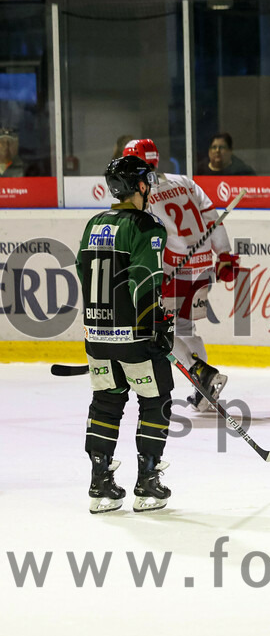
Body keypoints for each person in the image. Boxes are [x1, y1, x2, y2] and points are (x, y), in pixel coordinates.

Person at [77, 155, 174, 513]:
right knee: (155, 399)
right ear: (140, 186)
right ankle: (147, 481)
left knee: (106, 401)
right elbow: (145, 280)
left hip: (97, 335)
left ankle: (99, 483)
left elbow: (81, 272)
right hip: (134, 338)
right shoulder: (147, 226)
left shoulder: (93, 224)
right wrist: (155, 326)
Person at [122, 138, 239, 412]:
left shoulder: (142, 193)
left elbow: (148, 239)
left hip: (172, 272)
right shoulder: (184, 181)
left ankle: (200, 372)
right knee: (185, 328)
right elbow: (212, 218)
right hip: (201, 266)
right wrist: (224, 254)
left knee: (157, 330)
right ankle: (204, 390)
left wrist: (148, 273)